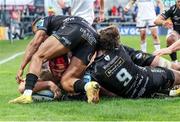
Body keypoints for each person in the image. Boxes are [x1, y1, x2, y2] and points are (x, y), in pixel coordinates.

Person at [9, 15, 100, 104]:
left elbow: (34, 43)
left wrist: (21, 67)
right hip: (92, 36)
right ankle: (88, 86)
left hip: (76, 27)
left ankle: (27, 95)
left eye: (36, 33)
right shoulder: (63, 44)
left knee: (37, 56)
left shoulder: (44, 21)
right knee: (67, 81)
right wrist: (48, 84)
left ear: (39, 27)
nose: (42, 40)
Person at [86, 25, 180, 98]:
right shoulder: (119, 49)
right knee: (174, 74)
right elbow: (143, 58)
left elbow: (104, 91)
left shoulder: (94, 70)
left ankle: (164, 91)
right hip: (149, 79)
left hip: (133, 95)